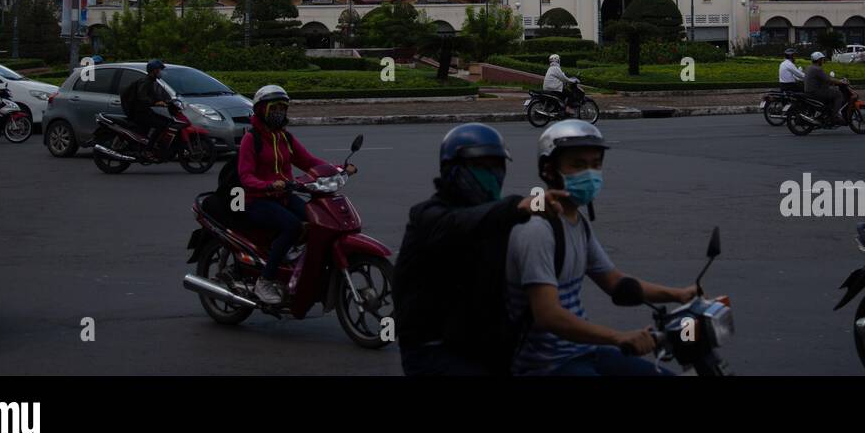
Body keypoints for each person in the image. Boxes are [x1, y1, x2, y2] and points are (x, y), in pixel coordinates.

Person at [505, 120, 697, 376]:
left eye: (596, 164)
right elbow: (547, 315)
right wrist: (618, 337)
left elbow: (613, 280)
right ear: (550, 170)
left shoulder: (577, 223)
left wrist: (680, 295)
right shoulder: (537, 229)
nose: (590, 174)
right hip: (548, 365)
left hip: (583, 352)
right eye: (578, 165)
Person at [394, 123, 568, 375]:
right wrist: (519, 206)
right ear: (451, 169)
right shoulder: (427, 216)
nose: (492, 174)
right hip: (432, 350)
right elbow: (459, 224)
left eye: (497, 166)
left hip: (483, 347)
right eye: (481, 167)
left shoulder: (496, 219)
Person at [236, 85, 356, 305]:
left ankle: (292, 259)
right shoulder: (250, 139)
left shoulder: (285, 138)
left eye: (283, 108)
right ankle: (265, 280)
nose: (279, 112)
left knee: (317, 220)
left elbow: (309, 162)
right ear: (262, 109)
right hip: (258, 200)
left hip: (284, 195)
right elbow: (245, 177)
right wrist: (270, 185)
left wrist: (339, 168)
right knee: (292, 226)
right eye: (274, 108)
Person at [121, 59, 177, 157]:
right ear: (154, 70)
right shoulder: (146, 81)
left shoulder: (151, 81)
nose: (161, 72)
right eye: (159, 70)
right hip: (139, 112)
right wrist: (155, 102)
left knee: (165, 121)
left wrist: (167, 101)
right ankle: (149, 149)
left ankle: (146, 146)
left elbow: (155, 96)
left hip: (144, 111)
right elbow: (142, 97)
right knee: (162, 125)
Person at [804, 51, 849, 124]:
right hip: (816, 92)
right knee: (838, 94)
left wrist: (835, 80)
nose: (823, 61)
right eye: (822, 59)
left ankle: (828, 112)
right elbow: (828, 79)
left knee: (832, 91)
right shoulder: (817, 69)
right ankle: (834, 116)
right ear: (818, 60)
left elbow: (824, 78)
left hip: (809, 91)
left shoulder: (809, 67)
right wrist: (841, 82)